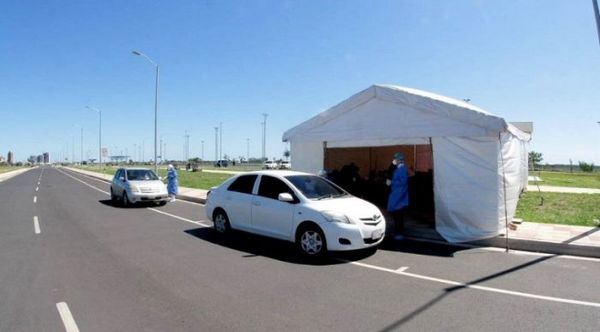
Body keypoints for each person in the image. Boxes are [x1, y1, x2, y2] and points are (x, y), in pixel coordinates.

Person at [387, 152, 409, 240]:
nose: (394, 160)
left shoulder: (402, 169)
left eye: (395, 158)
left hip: (400, 195)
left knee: (398, 215)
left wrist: (392, 182)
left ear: (399, 160)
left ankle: (399, 232)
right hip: (396, 193)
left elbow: (403, 182)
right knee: (396, 214)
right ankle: (398, 231)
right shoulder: (397, 168)